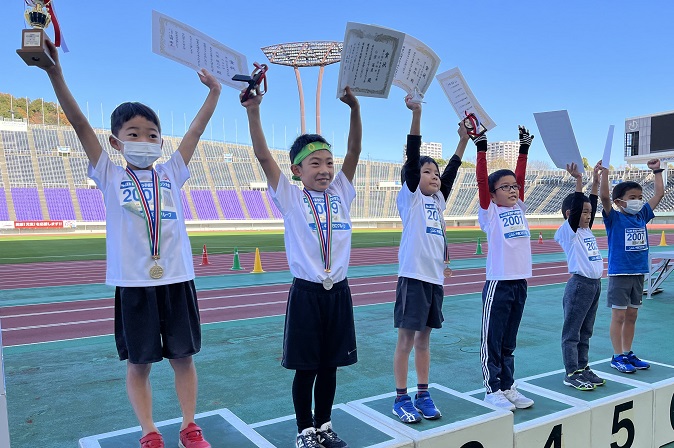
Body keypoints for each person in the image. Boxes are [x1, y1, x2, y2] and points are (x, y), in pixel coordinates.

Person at [37, 39, 220, 448]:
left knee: (183, 358)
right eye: (133, 133)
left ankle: (190, 426)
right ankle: (150, 432)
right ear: (117, 142)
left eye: (152, 134)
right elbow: (80, 124)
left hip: (177, 280)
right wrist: (56, 74)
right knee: (139, 364)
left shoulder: (172, 171)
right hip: (134, 286)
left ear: (160, 141)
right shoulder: (109, 174)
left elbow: (195, 130)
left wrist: (214, 94)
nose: (145, 139)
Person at [242, 84, 361, 448]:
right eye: (315, 163)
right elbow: (263, 157)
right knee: (306, 367)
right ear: (297, 169)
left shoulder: (341, 191)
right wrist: (253, 110)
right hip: (307, 293)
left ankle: (324, 425)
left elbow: (354, 149)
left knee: (330, 365)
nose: (325, 170)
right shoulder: (291, 197)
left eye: (328, 162)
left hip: (338, 292)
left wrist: (354, 108)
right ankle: (304, 430)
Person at [392, 95, 469, 423]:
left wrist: (463, 141)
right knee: (406, 340)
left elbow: (451, 171)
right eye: (428, 171)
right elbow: (412, 157)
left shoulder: (437, 200)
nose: (435, 176)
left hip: (433, 280)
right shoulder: (410, 198)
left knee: (424, 340)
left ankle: (423, 393)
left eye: (435, 173)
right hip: (412, 277)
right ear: (413, 178)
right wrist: (417, 114)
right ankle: (400, 398)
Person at [474, 126, 535, 411]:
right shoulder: (490, 212)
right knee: (493, 338)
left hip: (519, 282)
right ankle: (492, 389)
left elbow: (519, 176)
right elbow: (481, 182)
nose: (513, 190)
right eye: (506, 187)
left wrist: (524, 149)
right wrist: (481, 148)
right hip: (498, 282)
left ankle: (508, 385)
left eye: (514, 187)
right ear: (492, 193)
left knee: (509, 340)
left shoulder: (519, 208)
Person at [599, 158, 664, 373]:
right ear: (619, 202)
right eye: (632, 198)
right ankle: (617, 356)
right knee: (618, 316)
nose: (637, 201)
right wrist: (605, 175)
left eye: (639, 197)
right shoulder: (614, 218)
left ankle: (627, 353)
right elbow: (605, 196)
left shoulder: (642, 216)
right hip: (620, 273)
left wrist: (657, 171)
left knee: (632, 316)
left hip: (639, 273)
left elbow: (659, 195)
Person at [554, 161, 606, 390]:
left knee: (586, 330)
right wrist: (578, 180)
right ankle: (571, 372)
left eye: (589, 212)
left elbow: (591, 203)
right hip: (580, 286)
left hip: (595, 285)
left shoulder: (585, 230)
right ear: (570, 214)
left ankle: (583, 367)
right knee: (572, 332)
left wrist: (595, 182)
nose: (588, 215)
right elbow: (578, 208)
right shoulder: (569, 232)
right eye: (584, 213)